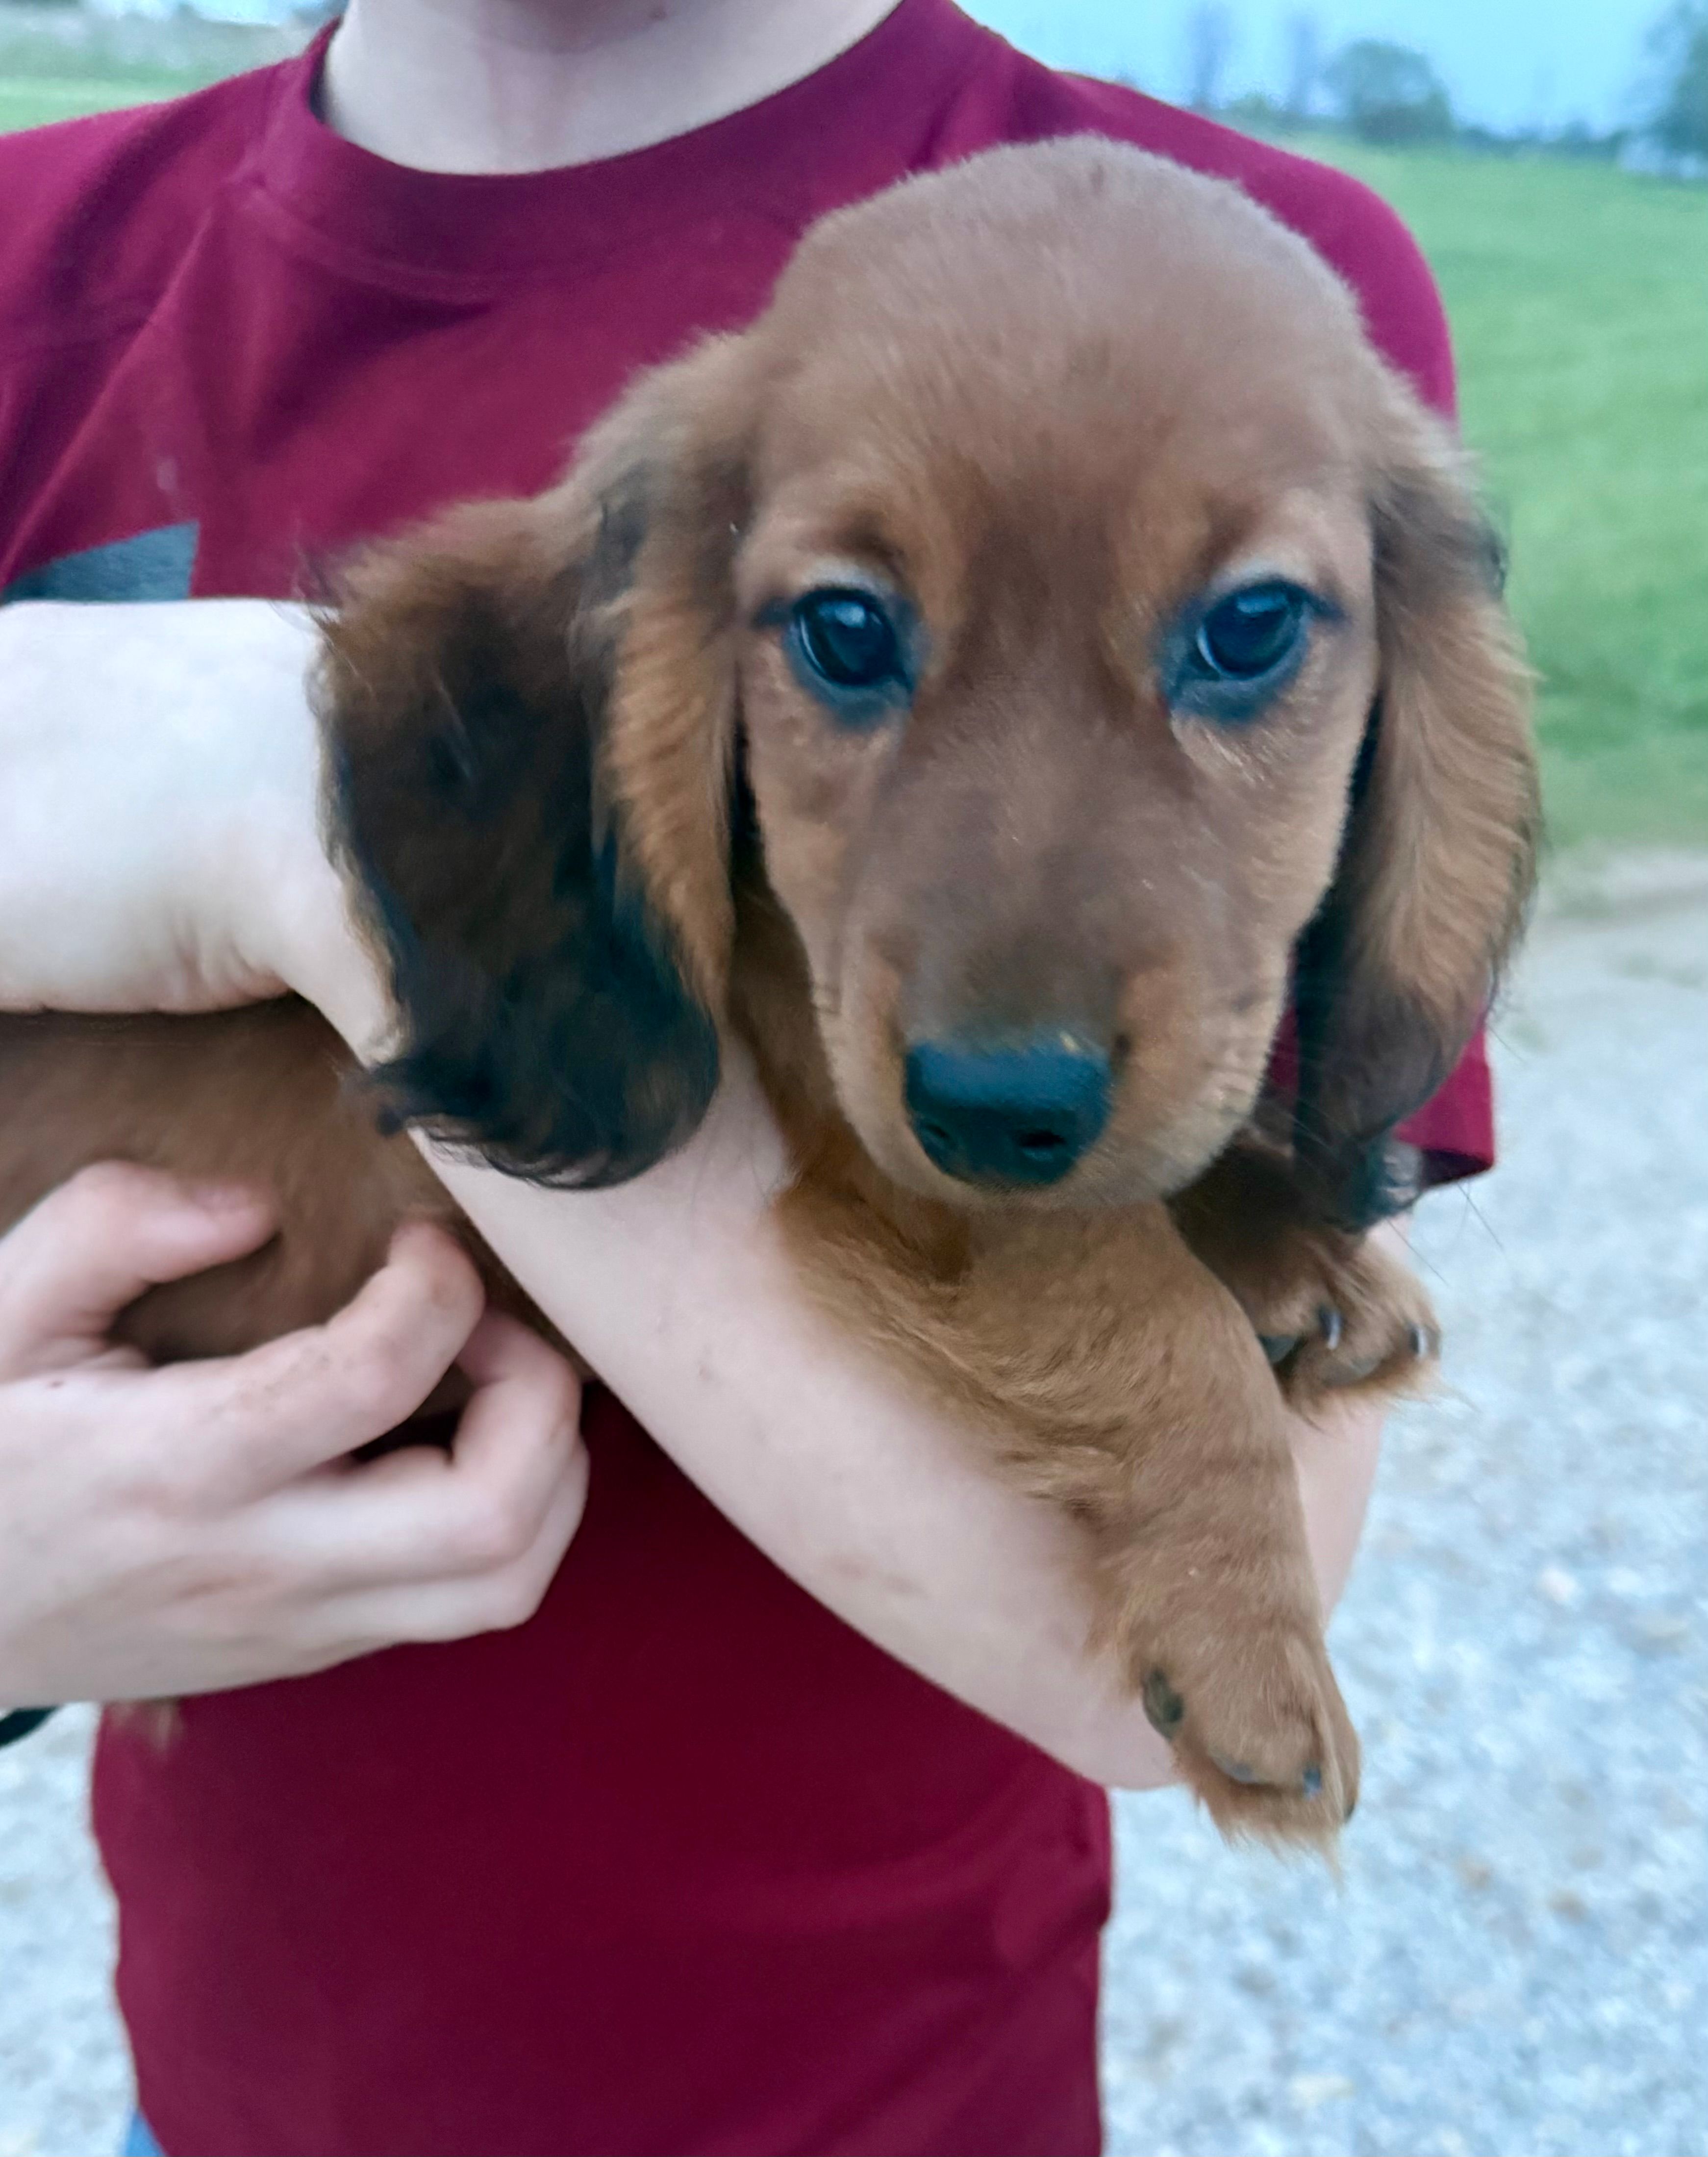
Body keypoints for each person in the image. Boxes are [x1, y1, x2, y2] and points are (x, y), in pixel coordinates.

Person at [0, 3, 1496, 2151]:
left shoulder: (1241, 276)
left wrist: (280, 798)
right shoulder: (35, 273)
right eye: (853, 637)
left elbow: (1162, 1641)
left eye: (1249, 636)